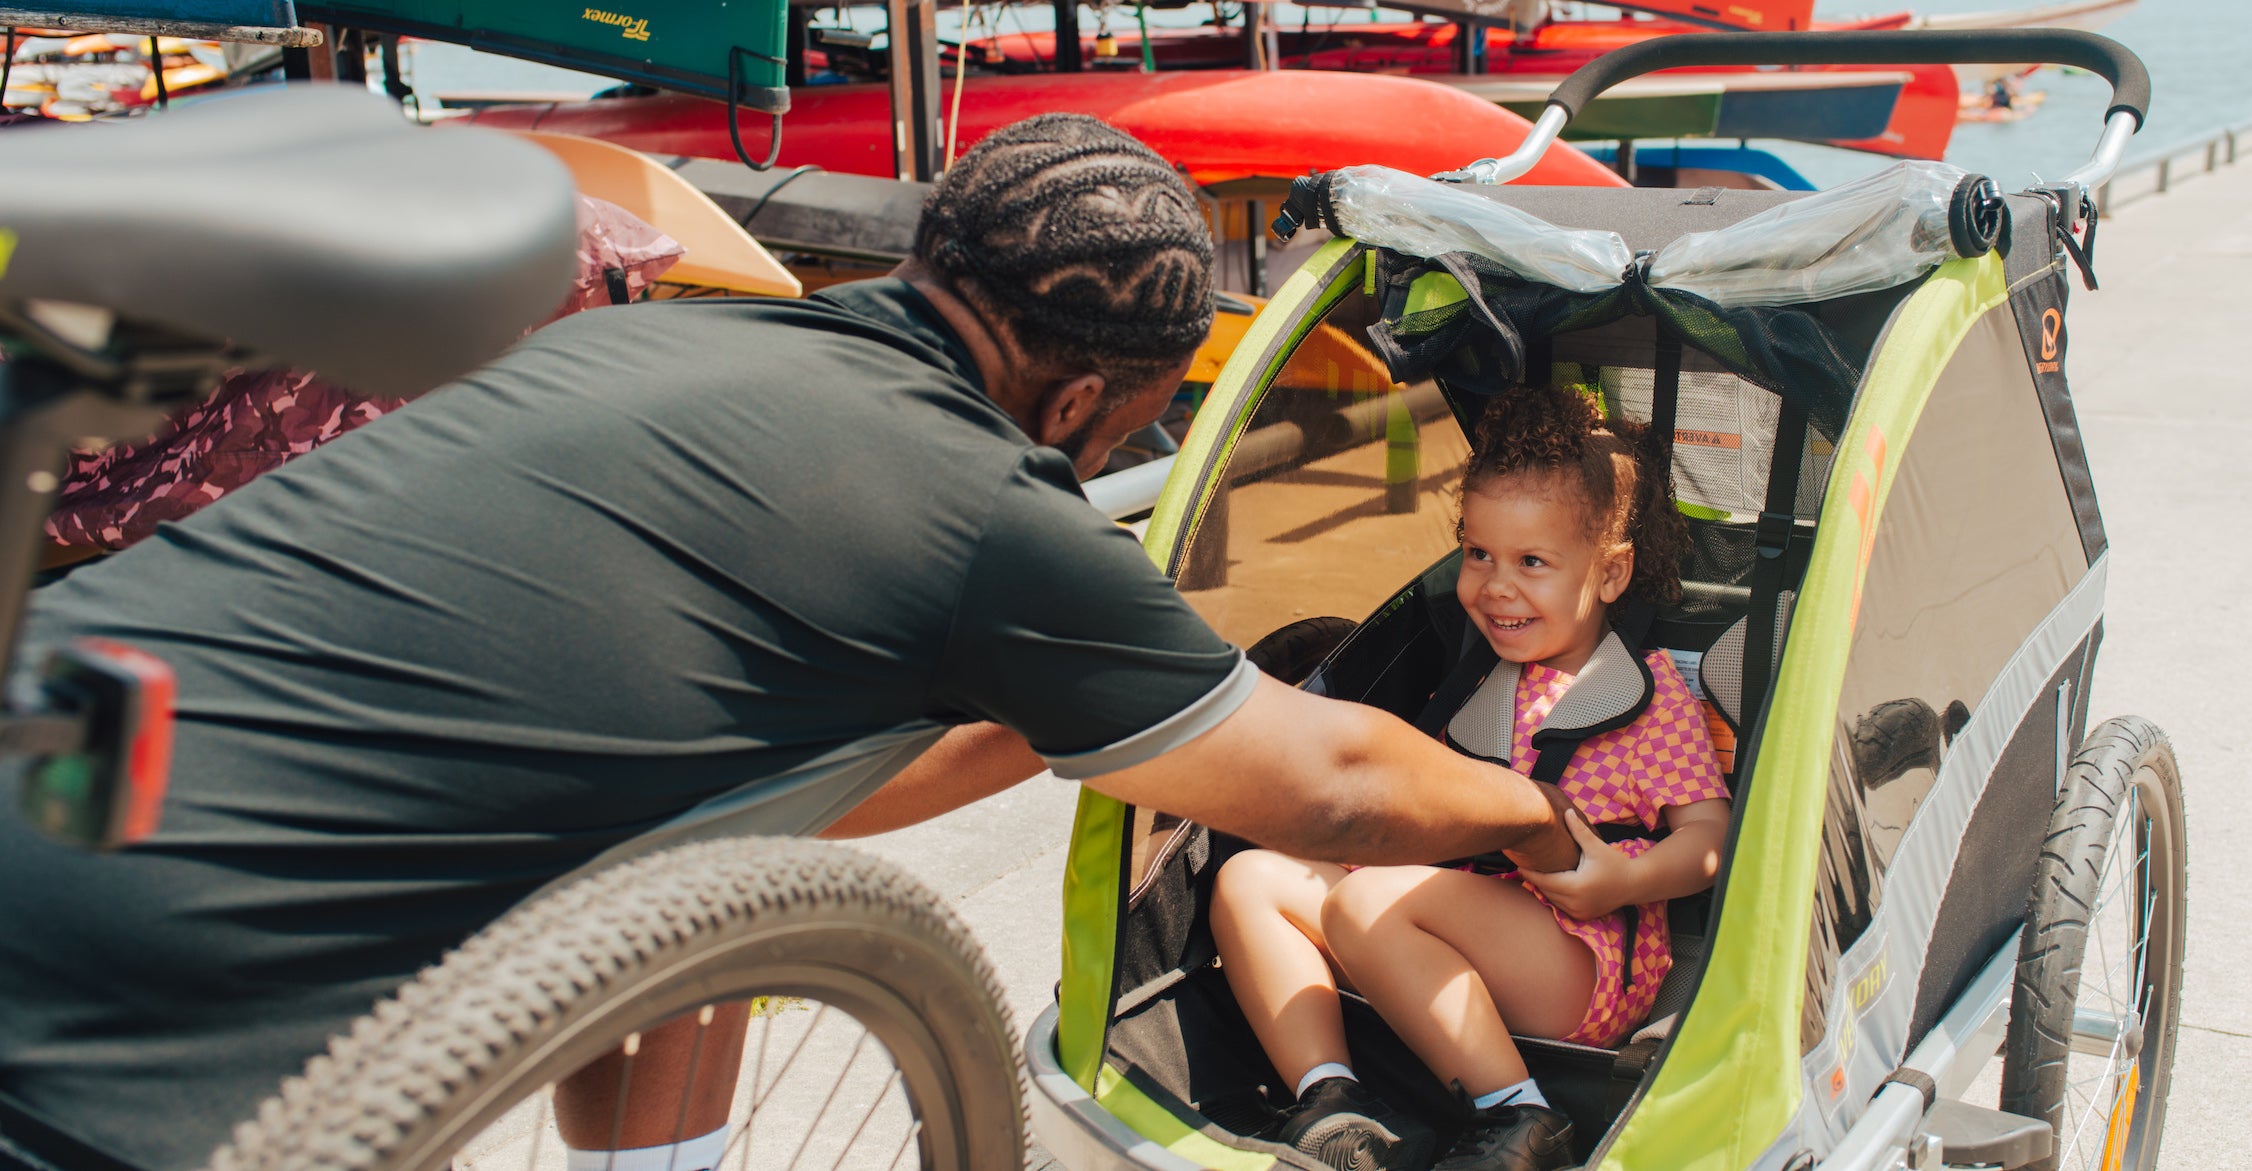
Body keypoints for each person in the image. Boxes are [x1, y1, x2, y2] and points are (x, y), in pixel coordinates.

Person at [0, 114, 1578, 1171]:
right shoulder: (975, 502)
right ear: (1098, 402)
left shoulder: (674, 332)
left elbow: (750, 786)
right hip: (134, 978)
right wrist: (1547, 816)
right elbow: (1335, 783)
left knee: (695, 868)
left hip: (58, 712)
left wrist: (1073, 712)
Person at [1207, 382, 1731, 1171]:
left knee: (1368, 899)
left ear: (1612, 573)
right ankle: (1332, 1100)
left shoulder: (1645, 695)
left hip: (1577, 953)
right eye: (1477, 553)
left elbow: (1709, 838)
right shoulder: (1470, 678)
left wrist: (1622, 881)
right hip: (1433, 918)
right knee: (1248, 879)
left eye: (1532, 563)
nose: (1496, 585)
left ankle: (1520, 1113)